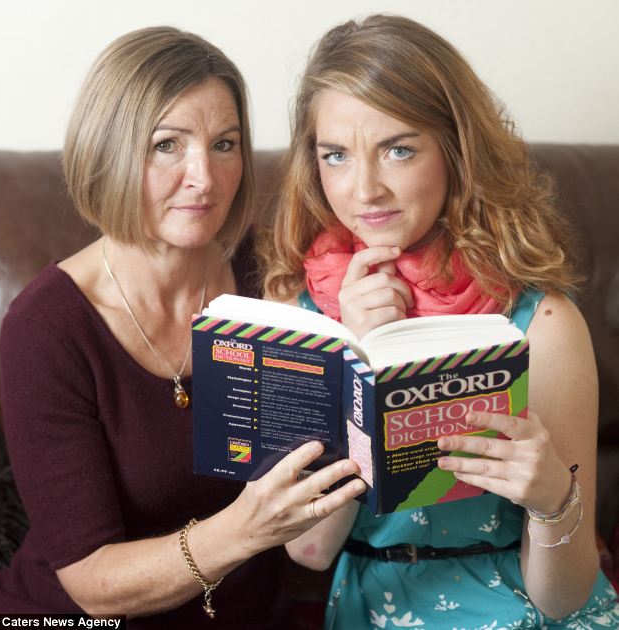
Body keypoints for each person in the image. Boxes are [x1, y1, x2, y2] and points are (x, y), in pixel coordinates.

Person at [0, 27, 366, 626]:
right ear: (109, 152)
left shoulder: (272, 272)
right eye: (167, 145)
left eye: (224, 144)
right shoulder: (46, 328)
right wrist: (242, 531)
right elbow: (90, 582)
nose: (204, 178)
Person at [263, 14, 619, 629]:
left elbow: (561, 600)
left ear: (456, 151)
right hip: (374, 606)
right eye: (337, 156)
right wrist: (354, 354)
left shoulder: (542, 323)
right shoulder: (301, 318)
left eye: (398, 150)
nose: (365, 190)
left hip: (518, 608)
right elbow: (311, 549)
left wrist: (553, 500)